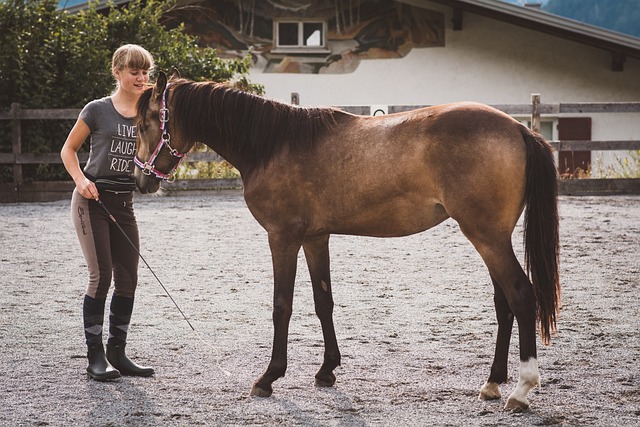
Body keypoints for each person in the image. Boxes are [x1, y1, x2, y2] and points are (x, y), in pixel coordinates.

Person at [61, 44, 155, 381]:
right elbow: (68, 150)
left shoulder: (151, 111)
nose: (141, 77)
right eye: (134, 71)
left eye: (145, 72)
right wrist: (80, 180)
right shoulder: (97, 110)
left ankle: (118, 352)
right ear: (117, 72)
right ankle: (95, 357)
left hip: (125, 203)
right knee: (101, 276)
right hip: (92, 200)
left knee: (128, 279)